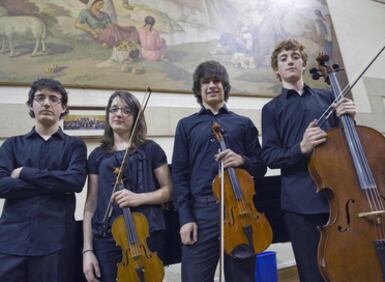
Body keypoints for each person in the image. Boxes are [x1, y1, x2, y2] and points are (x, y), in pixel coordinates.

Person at [261, 38, 356, 282]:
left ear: (303, 64)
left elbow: (345, 145)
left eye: (295, 57)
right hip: (299, 203)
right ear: (276, 70)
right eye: (283, 59)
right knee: (311, 271)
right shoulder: (271, 109)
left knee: (347, 264)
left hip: (337, 197)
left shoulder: (327, 98)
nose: (290, 61)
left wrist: (349, 120)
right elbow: (270, 156)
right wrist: (300, 147)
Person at [172, 60, 267, 282]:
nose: (212, 85)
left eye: (217, 81)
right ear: (199, 89)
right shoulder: (186, 125)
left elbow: (261, 166)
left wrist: (242, 159)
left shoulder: (242, 123)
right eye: (206, 82)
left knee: (241, 278)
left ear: (225, 86)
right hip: (201, 212)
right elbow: (179, 174)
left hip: (241, 212)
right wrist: (185, 218)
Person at [0, 78, 87, 281]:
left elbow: (75, 182)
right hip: (11, 240)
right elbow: (1, 185)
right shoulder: (12, 145)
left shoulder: (75, 146)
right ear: (31, 105)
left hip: (55, 242)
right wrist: (54, 184)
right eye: (40, 98)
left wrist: (23, 172)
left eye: (54, 99)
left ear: (63, 107)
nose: (47, 103)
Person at [82, 90, 172, 282]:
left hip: (148, 234)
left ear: (136, 117)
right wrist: (87, 250)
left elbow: (168, 191)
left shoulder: (151, 150)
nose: (119, 114)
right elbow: (90, 205)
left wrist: (140, 198)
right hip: (108, 237)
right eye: (114, 109)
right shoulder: (97, 155)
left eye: (126, 110)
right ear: (107, 115)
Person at [75, 0, 139, 47]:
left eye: (102, 4)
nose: (102, 6)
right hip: (100, 33)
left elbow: (110, 25)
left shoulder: (104, 14)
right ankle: (117, 42)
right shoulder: (85, 13)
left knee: (127, 29)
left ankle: (120, 42)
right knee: (113, 28)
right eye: (101, 4)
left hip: (108, 29)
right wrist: (91, 30)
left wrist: (125, 3)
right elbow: (77, 24)